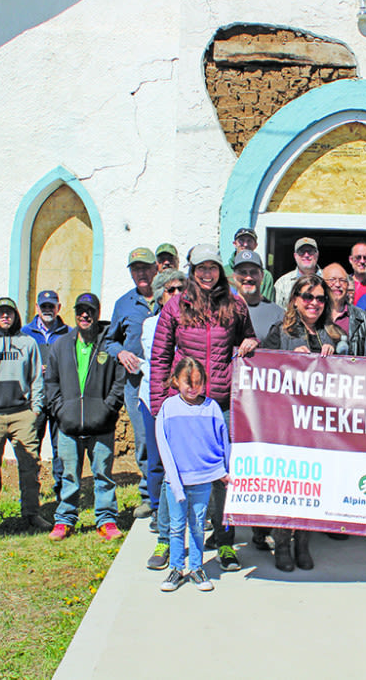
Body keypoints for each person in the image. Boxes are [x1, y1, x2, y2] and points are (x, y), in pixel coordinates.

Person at [148, 244, 257, 572]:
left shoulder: (235, 304)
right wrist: (159, 404)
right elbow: (160, 355)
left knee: (222, 474)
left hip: (219, 403)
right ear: (192, 271)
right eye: (201, 268)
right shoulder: (176, 306)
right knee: (175, 473)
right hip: (181, 401)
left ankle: (224, 542)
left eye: (213, 267)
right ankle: (166, 540)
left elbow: (246, 338)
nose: (207, 274)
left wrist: (250, 343)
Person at [262, 274, 348, 570]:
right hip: (286, 422)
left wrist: (337, 353)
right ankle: (282, 542)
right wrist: (286, 357)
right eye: (308, 297)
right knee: (287, 484)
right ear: (295, 300)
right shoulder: (280, 331)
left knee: (315, 483)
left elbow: (355, 371)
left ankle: (304, 542)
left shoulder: (334, 333)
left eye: (320, 298)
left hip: (320, 425)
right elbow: (259, 367)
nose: (314, 303)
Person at [45, 293, 126, 542]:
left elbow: (120, 380)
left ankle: (106, 520)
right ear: (74, 313)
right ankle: (65, 520)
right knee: (69, 475)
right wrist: (60, 409)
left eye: (90, 310)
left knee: (103, 475)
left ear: (97, 313)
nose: (85, 315)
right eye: (80, 310)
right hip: (68, 425)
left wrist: (108, 408)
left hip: (101, 424)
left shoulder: (109, 343)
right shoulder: (60, 344)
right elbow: (51, 381)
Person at [0, 297, 50, 531]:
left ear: (16, 316)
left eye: (9, 313)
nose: (5, 317)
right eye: (0, 313)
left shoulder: (27, 343)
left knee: (29, 465)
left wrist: (36, 408)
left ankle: (31, 512)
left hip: (21, 415)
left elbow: (37, 378)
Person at [155, 357, 231, 593]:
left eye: (198, 383)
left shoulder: (212, 408)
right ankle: (177, 569)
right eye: (188, 383)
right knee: (177, 527)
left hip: (202, 482)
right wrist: (173, 480)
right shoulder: (168, 408)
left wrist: (224, 471)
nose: (193, 388)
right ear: (176, 381)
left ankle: (197, 568)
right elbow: (163, 445)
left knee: (197, 526)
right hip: (175, 482)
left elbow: (222, 442)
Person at [139, 270, 187, 570]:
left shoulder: (195, 320)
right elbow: (157, 362)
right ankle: (162, 522)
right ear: (160, 295)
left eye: (182, 287)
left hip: (187, 402)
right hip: (159, 399)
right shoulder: (150, 324)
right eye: (171, 289)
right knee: (162, 465)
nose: (177, 292)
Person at [106, 247, 159, 519]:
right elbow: (108, 340)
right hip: (136, 383)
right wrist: (121, 352)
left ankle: (171, 496)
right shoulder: (123, 303)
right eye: (135, 268)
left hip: (166, 381)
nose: (141, 273)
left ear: (156, 269)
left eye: (145, 267)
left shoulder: (169, 298)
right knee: (143, 441)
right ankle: (149, 496)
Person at [21, 290, 70, 501]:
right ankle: (31, 493)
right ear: (37, 308)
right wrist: (33, 369)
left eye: (52, 306)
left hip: (61, 398)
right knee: (32, 446)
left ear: (59, 307)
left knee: (62, 448)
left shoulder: (69, 333)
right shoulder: (24, 333)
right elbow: (17, 364)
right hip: (35, 399)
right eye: (44, 306)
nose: (48, 310)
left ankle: (62, 492)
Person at [232, 250, 284, 342]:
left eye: (253, 272)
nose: (248, 278)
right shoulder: (221, 310)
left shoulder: (278, 315)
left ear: (262, 275)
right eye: (243, 272)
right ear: (234, 276)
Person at [322, 262, 366, 356]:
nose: (338, 284)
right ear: (322, 284)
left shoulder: (362, 318)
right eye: (332, 280)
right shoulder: (315, 314)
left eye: (342, 280)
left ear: (348, 285)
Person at [224, 227, 275, 302]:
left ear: (255, 245)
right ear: (235, 244)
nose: (245, 244)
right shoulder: (223, 272)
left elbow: (267, 307)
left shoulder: (266, 276)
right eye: (241, 240)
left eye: (249, 241)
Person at [274, 236, 320, 307]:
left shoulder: (329, 279)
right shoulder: (282, 283)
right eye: (301, 252)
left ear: (317, 254)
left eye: (310, 251)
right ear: (295, 256)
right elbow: (276, 312)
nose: (306, 255)